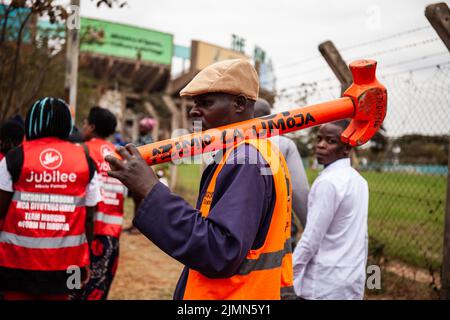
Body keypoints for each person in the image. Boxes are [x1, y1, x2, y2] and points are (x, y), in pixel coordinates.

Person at [105, 59, 293, 300]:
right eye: (194, 103)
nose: (193, 111)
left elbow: (220, 251)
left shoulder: (247, 160)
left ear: (239, 104)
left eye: (205, 103)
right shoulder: (247, 152)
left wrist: (150, 189)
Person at [0, 97, 101, 300]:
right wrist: (85, 260)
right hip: (67, 265)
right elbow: (89, 219)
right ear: (67, 125)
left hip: (15, 262)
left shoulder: (14, 157)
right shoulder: (86, 162)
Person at [292, 120, 369, 300]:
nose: (321, 145)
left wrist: (288, 274)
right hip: (349, 280)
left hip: (323, 283)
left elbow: (311, 238)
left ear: (347, 148)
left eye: (331, 141)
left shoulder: (328, 182)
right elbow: (362, 237)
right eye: (319, 139)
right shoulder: (359, 181)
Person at [78, 106, 126, 300]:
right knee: (100, 288)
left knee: (78, 286)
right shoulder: (119, 155)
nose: (82, 126)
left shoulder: (83, 151)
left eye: (84, 122)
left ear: (91, 126)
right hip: (112, 235)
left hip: (88, 232)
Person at [254, 99, 309, 243]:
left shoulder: (225, 142)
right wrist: (308, 226)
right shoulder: (283, 144)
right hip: (277, 225)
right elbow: (298, 189)